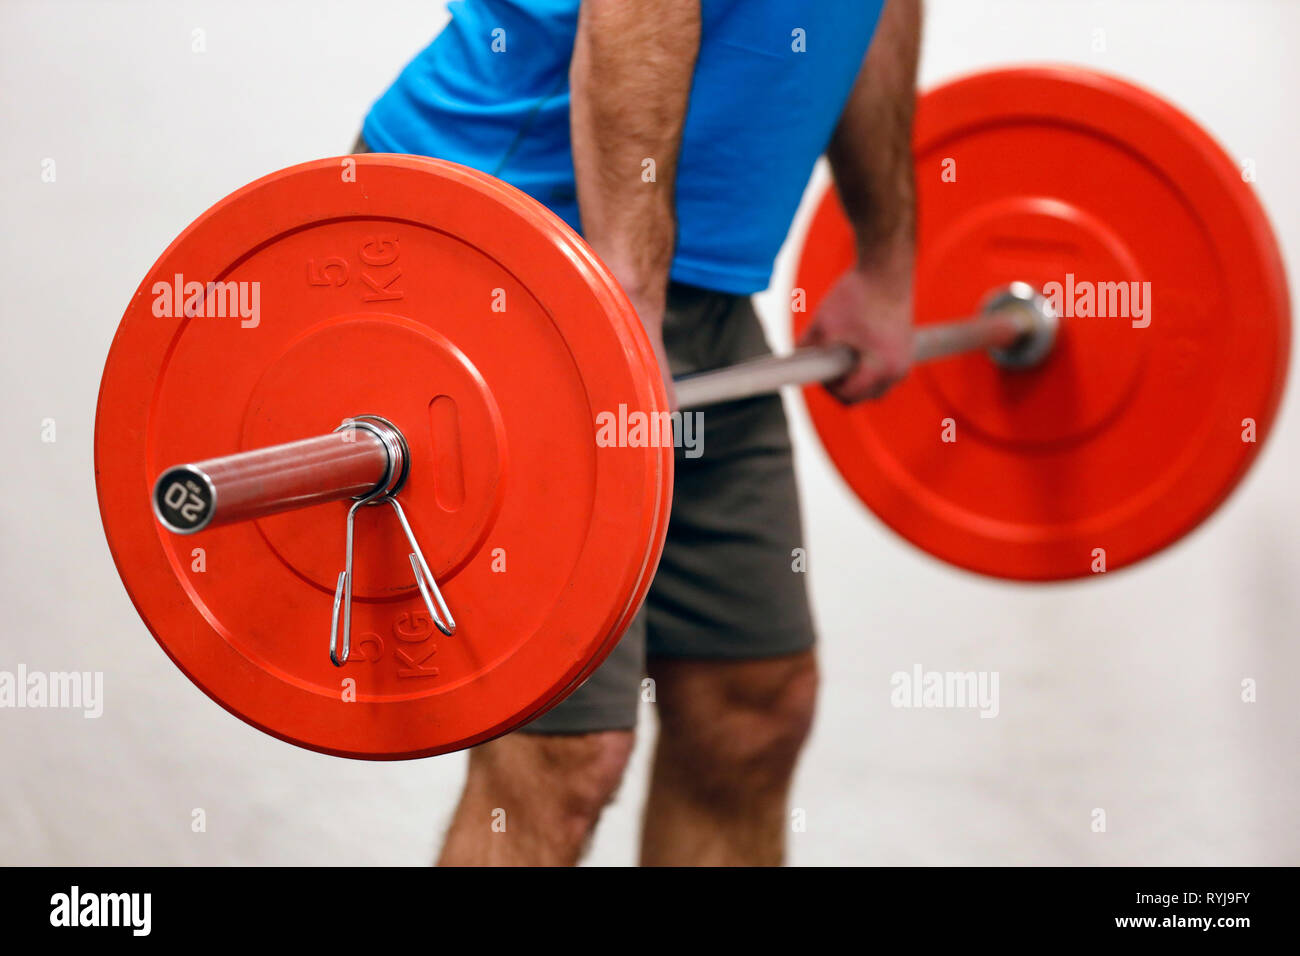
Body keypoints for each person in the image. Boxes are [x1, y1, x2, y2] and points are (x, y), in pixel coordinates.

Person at [357, 0, 919, 865]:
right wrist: (625, 306)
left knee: (751, 706)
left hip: (692, 283)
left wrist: (885, 256)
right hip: (505, 254)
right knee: (562, 757)